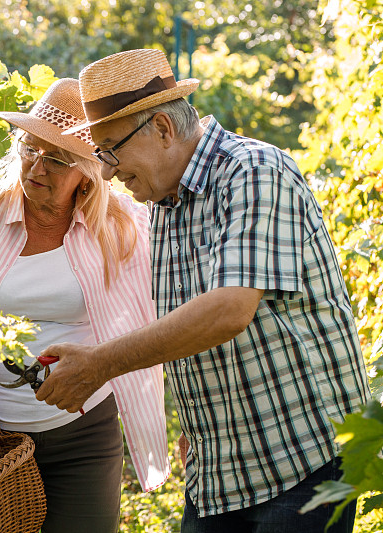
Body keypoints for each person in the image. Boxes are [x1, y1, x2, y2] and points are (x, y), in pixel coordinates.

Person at [38, 49, 372, 532]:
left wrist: (100, 364)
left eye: (111, 149)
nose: (106, 171)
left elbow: (228, 310)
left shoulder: (254, 172)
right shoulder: (163, 202)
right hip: (221, 467)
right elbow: (190, 323)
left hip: (300, 455)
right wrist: (201, 425)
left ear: (162, 128)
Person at [0, 78, 170, 533]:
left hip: (83, 434)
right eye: (30, 148)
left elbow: (164, 312)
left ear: (88, 173)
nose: (37, 165)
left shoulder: (123, 226)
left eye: (56, 158)